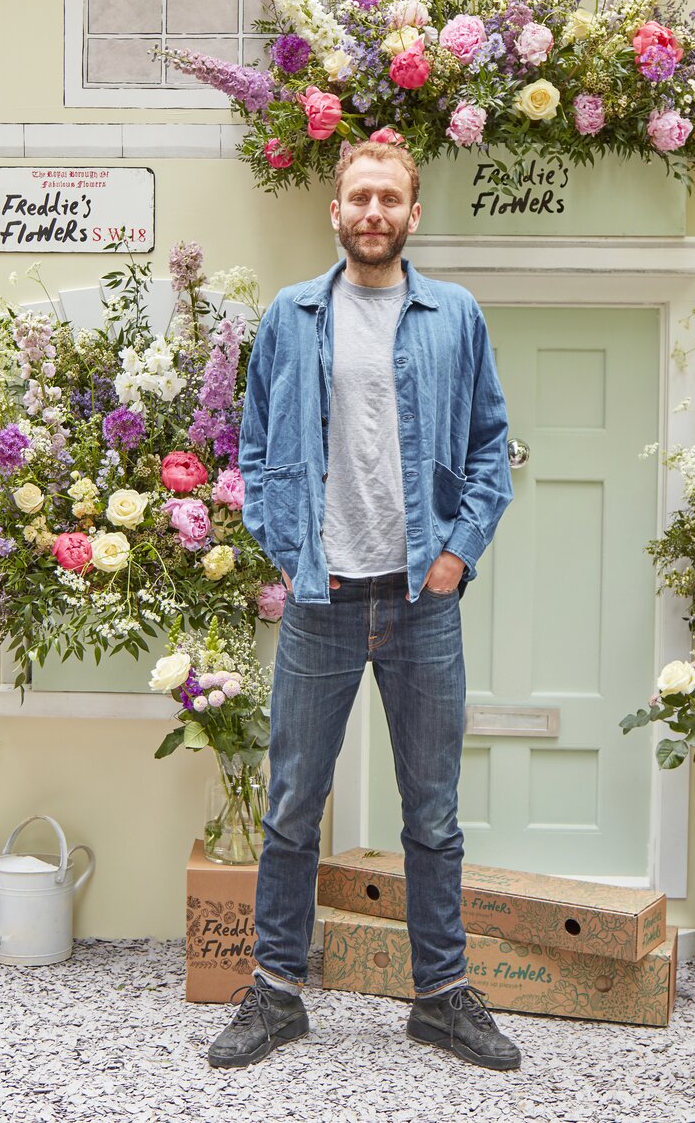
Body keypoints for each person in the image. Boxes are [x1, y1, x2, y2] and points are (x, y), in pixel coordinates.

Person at [209, 140, 518, 1072]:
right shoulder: (293, 316)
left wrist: (457, 557)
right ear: (334, 212)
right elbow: (255, 448)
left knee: (433, 811)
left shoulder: (453, 315)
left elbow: (493, 449)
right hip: (323, 598)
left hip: (423, 601)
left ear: (413, 215)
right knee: (295, 804)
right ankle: (274, 994)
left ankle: (441, 997)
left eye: (390, 198)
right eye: (359, 198)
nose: (374, 212)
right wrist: (291, 548)